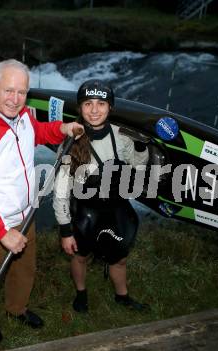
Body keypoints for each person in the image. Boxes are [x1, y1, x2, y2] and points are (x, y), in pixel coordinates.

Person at [0, 59, 83, 343]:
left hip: (26, 213)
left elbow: (35, 133)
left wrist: (60, 129)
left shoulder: (22, 115)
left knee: (25, 268)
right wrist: (1, 232)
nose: (15, 99)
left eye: (21, 92)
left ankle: (17, 308)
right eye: (8, 91)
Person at [53, 79, 150, 314]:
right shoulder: (69, 143)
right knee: (80, 257)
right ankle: (81, 293)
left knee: (119, 259)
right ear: (80, 108)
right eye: (88, 104)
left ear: (110, 108)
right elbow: (61, 190)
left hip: (116, 208)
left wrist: (140, 147)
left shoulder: (123, 136)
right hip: (85, 212)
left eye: (101, 104)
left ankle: (122, 296)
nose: (94, 110)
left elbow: (138, 168)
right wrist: (65, 229)